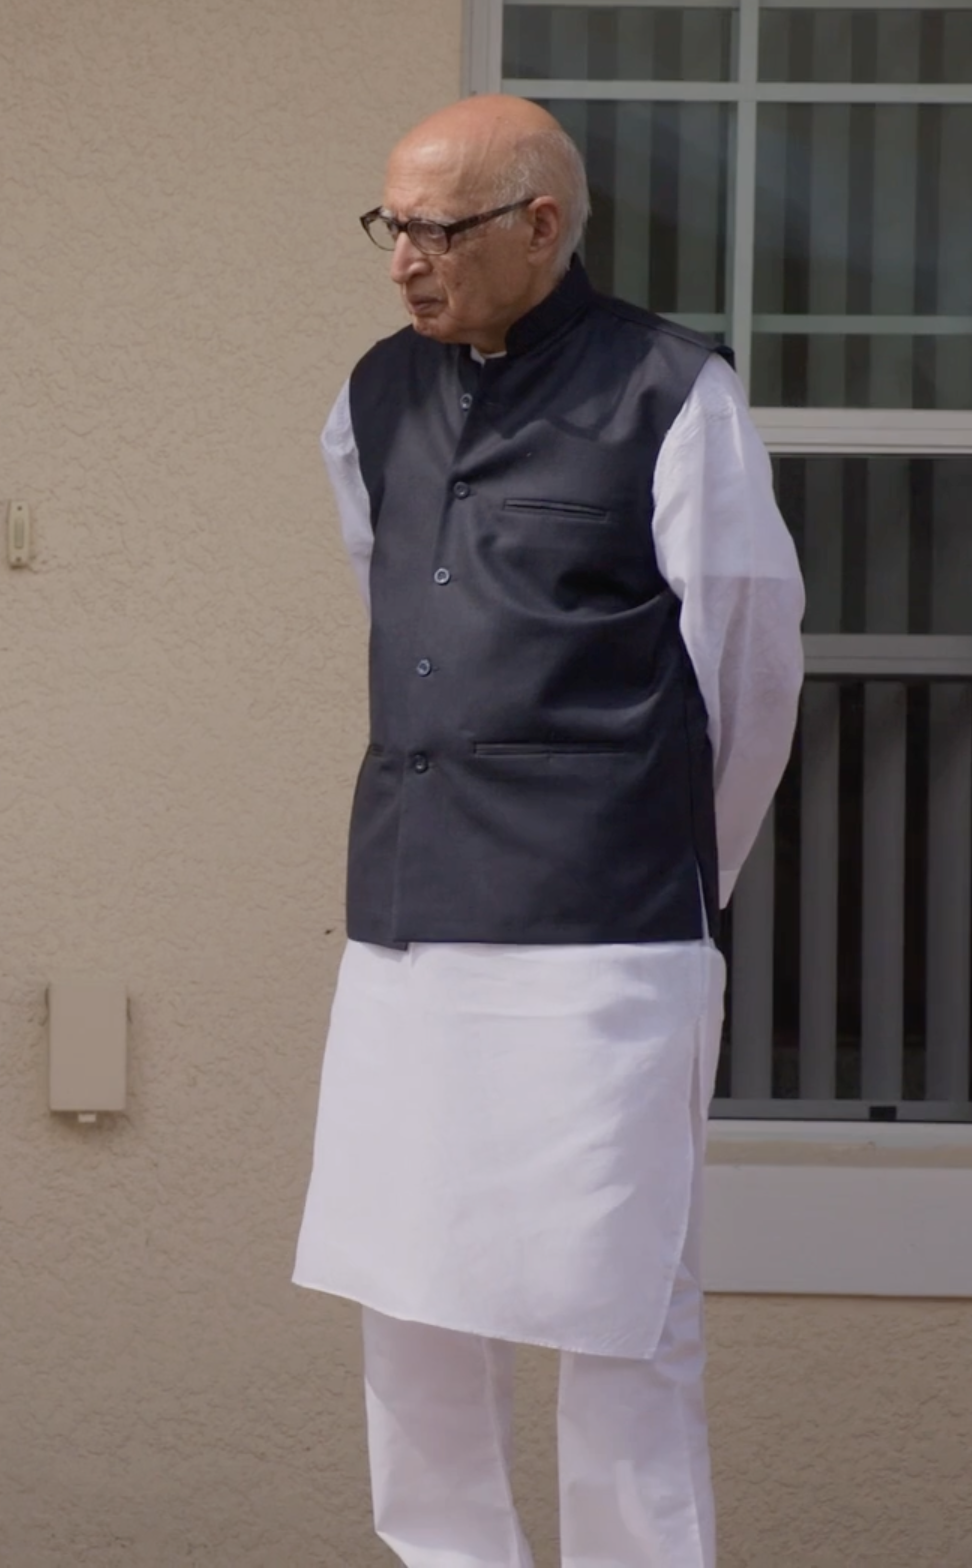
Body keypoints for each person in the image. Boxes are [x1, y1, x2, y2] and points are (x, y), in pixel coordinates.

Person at [292, 96, 806, 1567]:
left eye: (437, 231)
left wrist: (669, 871)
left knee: (619, 1306)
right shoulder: (370, 397)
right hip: (408, 920)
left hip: (607, 934)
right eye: (391, 227)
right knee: (409, 1296)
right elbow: (400, 607)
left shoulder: (672, 390)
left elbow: (750, 673)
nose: (404, 260)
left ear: (539, 226)